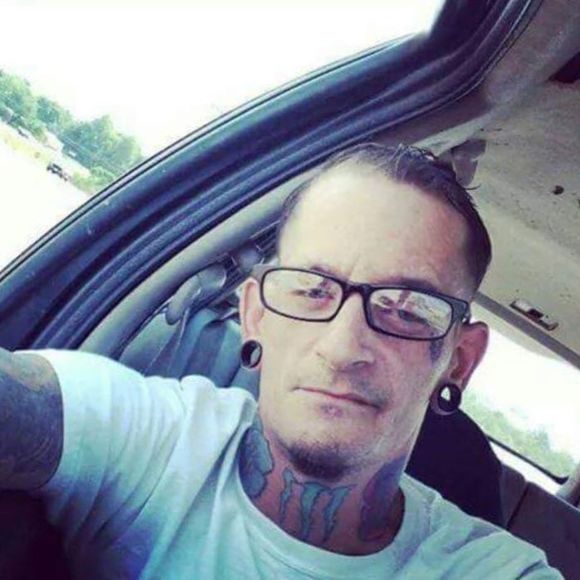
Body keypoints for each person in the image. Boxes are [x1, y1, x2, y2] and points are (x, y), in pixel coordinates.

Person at [0, 143, 561, 579]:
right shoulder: (151, 439)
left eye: (407, 308)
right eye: (311, 289)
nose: (342, 348)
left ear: (458, 360)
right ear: (255, 315)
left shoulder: (492, 571)